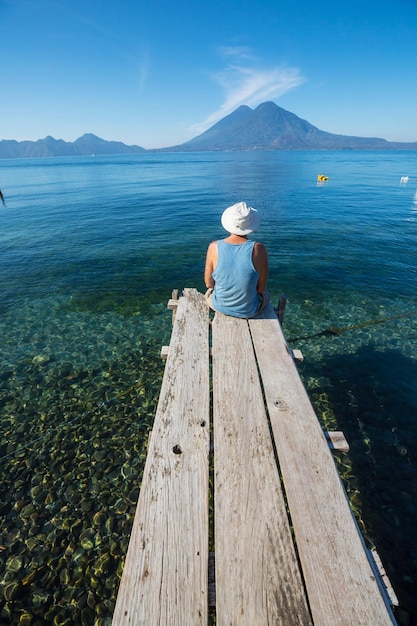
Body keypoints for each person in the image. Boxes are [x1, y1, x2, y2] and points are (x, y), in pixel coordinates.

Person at [204, 201, 270, 318]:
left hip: (220, 306)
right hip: (248, 311)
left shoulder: (214, 247)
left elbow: (209, 283)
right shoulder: (259, 249)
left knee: (209, 294)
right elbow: (261, 289)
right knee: (266, 295)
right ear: (251, 224)